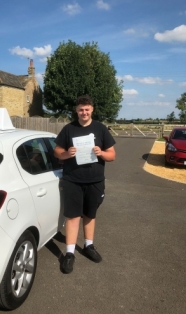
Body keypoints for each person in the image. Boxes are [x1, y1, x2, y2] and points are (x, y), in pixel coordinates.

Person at [54, 95, 116, 274]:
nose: (84, 112)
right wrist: (67, 153)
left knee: (90, 214)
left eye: (87, 109)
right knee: (72, 216)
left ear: (92, 110)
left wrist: (101, 152)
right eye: (81, 109)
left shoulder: (100, 129)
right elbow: (57, 151)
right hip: (72, 180)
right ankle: (69, 253)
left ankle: (88, 246)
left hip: (95, 180)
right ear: (76, 110)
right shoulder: (69, 129)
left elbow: (112, 155)